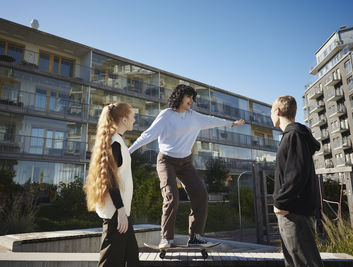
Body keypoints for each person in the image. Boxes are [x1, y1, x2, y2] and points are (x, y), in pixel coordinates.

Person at [128, 84, 245, 248]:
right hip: (166, 161)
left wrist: (230, 124)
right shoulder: (166, 115)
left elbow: (212, 120)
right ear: (179, 97)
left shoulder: (194, 116)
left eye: (192, 98)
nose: (191, 100)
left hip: (185, 163)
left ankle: (196, 237)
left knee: (201, 195)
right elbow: (148, 135)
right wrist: (129, 151)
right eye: (188, 97)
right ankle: (166, 238)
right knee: (171, 197)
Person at [84, 102, 140, 267]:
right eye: (132, 116)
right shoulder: (115, 142)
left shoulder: (117, 141)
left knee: (132, 259)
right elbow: (109, 179)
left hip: (120, 214)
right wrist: (121, 211)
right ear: (123, 119)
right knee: (111, 262)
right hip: (117, 214)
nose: (135, 120)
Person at [271, 96, 323, 267]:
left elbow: (296, 174)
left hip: (294, 211)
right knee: (294, 261)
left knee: (304, 262)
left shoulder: (294, 135)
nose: (270, 116)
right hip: (292, 210)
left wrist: (281, 202)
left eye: (271, 111)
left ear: (277, 111)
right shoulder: (293, 135)